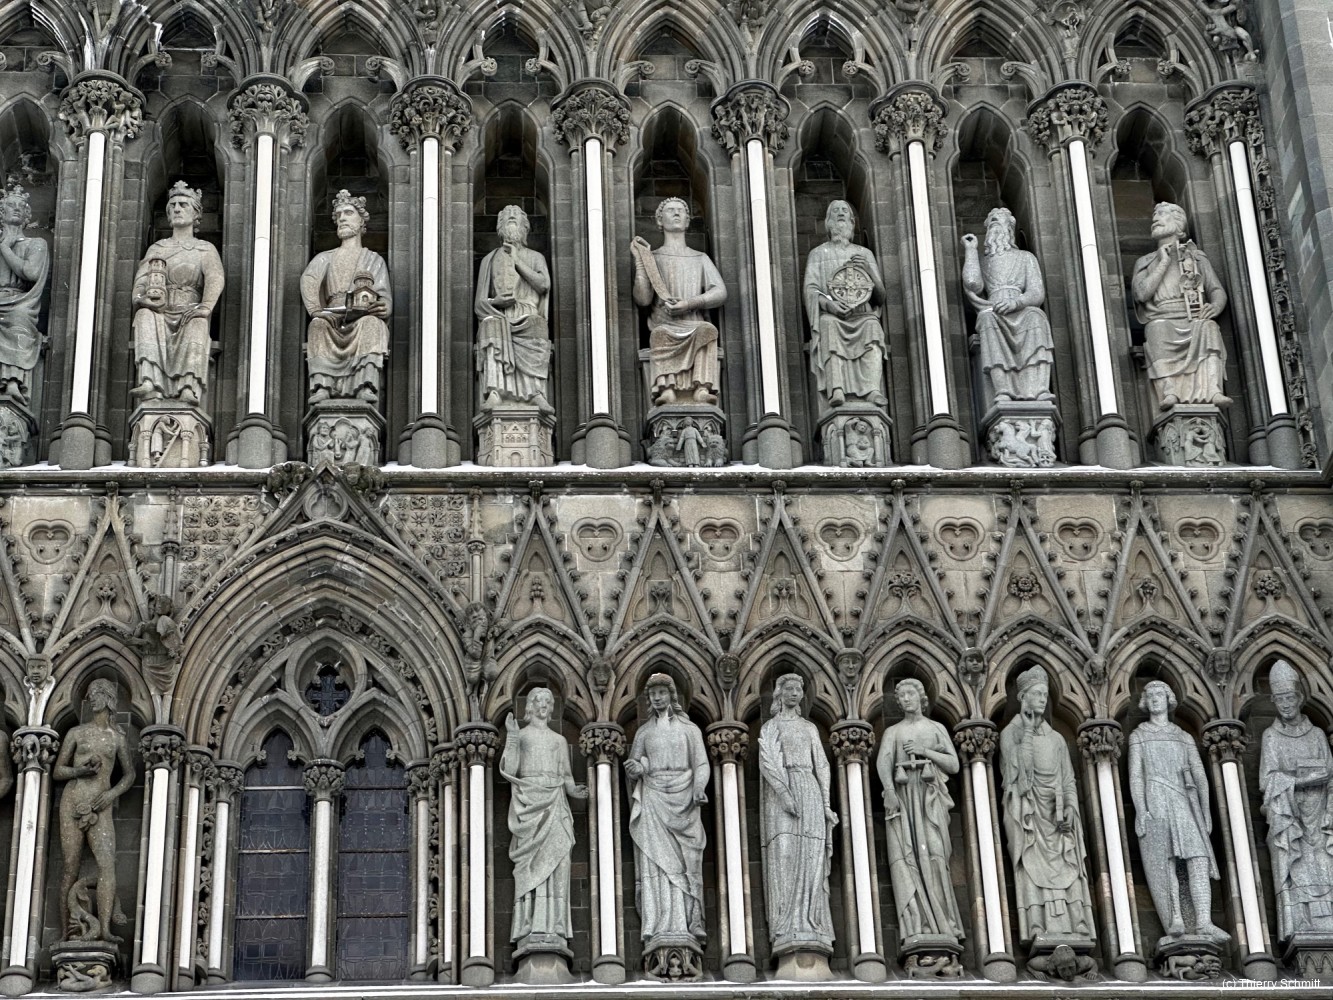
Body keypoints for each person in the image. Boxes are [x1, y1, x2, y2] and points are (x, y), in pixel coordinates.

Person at [1128, 680, 1229, 944]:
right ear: (1145, 701)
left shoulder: (1183, 737)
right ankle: (1176, 917)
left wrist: (1206, 811)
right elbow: (1136, 776)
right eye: (1150, 695)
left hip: (1183, 800)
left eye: (1160, 694)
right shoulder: (1139, 735)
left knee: (1198, 858)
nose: (1155, 699)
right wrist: (1140, 810)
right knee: (1167, 860)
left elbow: (1200, 775)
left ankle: (1204, 921)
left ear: (1169, 699)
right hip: (1156, 797)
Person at [999, 666, 1094, 943]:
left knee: (1068, 864)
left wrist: (1070, 808)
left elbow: (1068, 779)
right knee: (1031, 863)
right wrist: (1028, 732)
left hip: (1057, 816)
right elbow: (1019, 776)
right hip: (1029, 815)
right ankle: (1037, 924)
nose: (1043, 699)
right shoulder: (1010, 734)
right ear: (1023, 697)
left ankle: (1077, 923)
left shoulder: (1057, 739)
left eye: (1045, 695)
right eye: (1037, 694)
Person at [624, 672, 710, 960]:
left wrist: (698, 788)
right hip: (654, 798)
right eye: (653, 694)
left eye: (662, 692)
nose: (657, 698)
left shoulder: (690, 730)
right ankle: (661, 922)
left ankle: (689, 921)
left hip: (684, 798)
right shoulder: (644, 733)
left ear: (672, 695)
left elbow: (701, 763)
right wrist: (638, 769)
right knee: (657, 864)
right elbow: (634, 766)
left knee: (687, 862)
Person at [499, 686, 588, 954]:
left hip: (555, 803)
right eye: (538, 701)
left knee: (559, 865)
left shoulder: (558, 740)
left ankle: (554, 926)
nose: (543, 705)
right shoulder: (522, 736)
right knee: (530, 869)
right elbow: (510, 769)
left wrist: (575, 791)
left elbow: (567, 776)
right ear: (530, 706)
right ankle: (529, 925)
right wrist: (512, 737)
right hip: (529, 804)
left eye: (547, 702)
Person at [877, 678, 964, 944]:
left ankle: (945, 922)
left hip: (931, 800)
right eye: (901, 695)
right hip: (905, 800)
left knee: (936, 854)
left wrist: (924, 751)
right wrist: (890, 791)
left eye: (910, 694)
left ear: (921, 697)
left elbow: (953, 764)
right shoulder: (893, 732)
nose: (906, 699)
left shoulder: (936, 728)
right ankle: (920, 923)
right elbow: (883, 762)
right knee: (909, 858)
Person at [757, 673, 836, 956]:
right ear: (779, 694)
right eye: (789, 688)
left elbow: (822, 765)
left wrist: (825, 804)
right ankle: (786, 923)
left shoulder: (809, 728)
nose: (794, 693)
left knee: (811, 857)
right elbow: (767, 764)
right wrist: (784, 794)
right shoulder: (771, 727)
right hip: (781, 795)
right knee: (785, 855)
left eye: (798, 689)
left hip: (809, 789)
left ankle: (811, 922)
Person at [53, 678, 135, 942]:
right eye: (90, 694)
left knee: (107, 865)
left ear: (109, 698)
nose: (92, 699)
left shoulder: (117, 738)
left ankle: (105, 929)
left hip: (101, 805)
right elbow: (58, 770)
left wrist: (110, 794)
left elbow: (129, 774)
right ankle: (67, 931)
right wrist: (80, 770)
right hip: (73, 801)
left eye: (97, 693)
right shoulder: (77, 733)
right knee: (70, 866)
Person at [129, 181, 224, 404]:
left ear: (196, 213)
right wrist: (144, 299)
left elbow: (215, 278)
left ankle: (188, 386)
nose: (177, 209)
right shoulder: (158, 248)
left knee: (198, 324)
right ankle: (149, 381)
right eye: (172, 206)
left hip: (189, 310)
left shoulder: (205, 249)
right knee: (143, 316)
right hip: (160, 310)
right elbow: (141, 281)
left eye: (183, 205)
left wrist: (205, 307)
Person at [1259, 660, 1333, 940]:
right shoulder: (1270, 736)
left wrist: (1328, 806)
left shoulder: (1317, 735)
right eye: (1279, 700)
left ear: (1300, 698)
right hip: (1289, 815)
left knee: (1324, 861)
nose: (1285, 705)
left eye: (1289, 698)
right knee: (1295, 863)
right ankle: (1300, 924)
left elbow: (1330, 774)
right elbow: (1267, 780)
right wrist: (1300, 781)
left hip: (1320, 812)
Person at [1131, 202, 1230, 411]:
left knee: (1209, 327)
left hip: (1192, 315)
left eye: (1161, 214)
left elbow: (1216, 289)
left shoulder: (1195, 257)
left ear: (1178, 224)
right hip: (1162, 317)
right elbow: (1141, 294)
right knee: (1157, 329)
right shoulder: (1145, 262)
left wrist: (1215, 306)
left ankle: (1213, 390)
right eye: (1154, 215)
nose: (1155, 219)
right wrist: (1163, 263)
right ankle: (1170, 390)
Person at [631, 198, 727, 406]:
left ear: (687, 221)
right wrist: (640, 262)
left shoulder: (700, 258)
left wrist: (689, 303)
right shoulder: (653, 258)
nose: (676, 214)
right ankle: (666, 389)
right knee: (660, 334)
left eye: (680, 211)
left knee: (707, 331)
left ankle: (702, 388)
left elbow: (720, 292)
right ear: (659, 220)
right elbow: (643, 299)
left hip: (693, 322)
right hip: (665, 324)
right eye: (670, 210)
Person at [301, 189, 391, 404]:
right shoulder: (325, 258)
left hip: (361, 317)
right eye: (339, 214)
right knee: (317, 326)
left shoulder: (373, 259)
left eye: (349, 213)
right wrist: (316, 310)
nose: (342, 218)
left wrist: (384, 306)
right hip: (332, 316)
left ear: (361, 221)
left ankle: (366, 385)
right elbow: (309, 280)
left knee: (372, 324)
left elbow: (384, 296)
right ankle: (322, 386)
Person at [961, 207, 1054, 403]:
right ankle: (1003, 388)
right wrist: (970, 251)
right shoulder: (983, 262)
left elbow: (1036, 293)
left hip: (1020, 307)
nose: (994, 223)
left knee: (1036, 317)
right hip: (994, 309)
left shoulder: (1026, 258)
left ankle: (1038, 388)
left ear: (1009, 228)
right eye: (991, 222)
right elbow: (973, 284)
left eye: (999, 220)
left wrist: (1016, 303)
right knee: (986, 318)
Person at [803, 200, 888, 408]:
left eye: (845, 211)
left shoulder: (864, 254)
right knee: (827, 325)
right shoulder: (818, 254)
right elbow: (811, 290)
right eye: (835, 211)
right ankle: (837, 389)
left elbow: (880, 296)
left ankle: (872, 390)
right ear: (828, 222)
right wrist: (830, 305)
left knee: (873, 327)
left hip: (862, 315)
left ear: (852, 221)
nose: (840, 214)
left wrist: (869, 270)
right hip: (833, 315)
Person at [475, 205, 552, 411]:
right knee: (489, 326)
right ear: (499, 227)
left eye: (516, 216)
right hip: (498, 314)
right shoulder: (489, 260)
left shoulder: (535, 257)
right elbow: (480, 303)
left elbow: (544, 285)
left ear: (525, 227)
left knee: (537, 325)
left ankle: (535, 393)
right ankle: (494, 391)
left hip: (528, 313)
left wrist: (517, 260)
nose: (511, 217)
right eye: (506, 216)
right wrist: (496, 302)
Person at [0, 183, 49, 405]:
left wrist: (5, 249)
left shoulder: (36, 243)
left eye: (21, 206)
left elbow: (31, 272)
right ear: (2, 212)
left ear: (27, 215)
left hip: (19, 301)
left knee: (18, 319)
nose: (17, 209)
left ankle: (12, 382)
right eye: (11, 205)